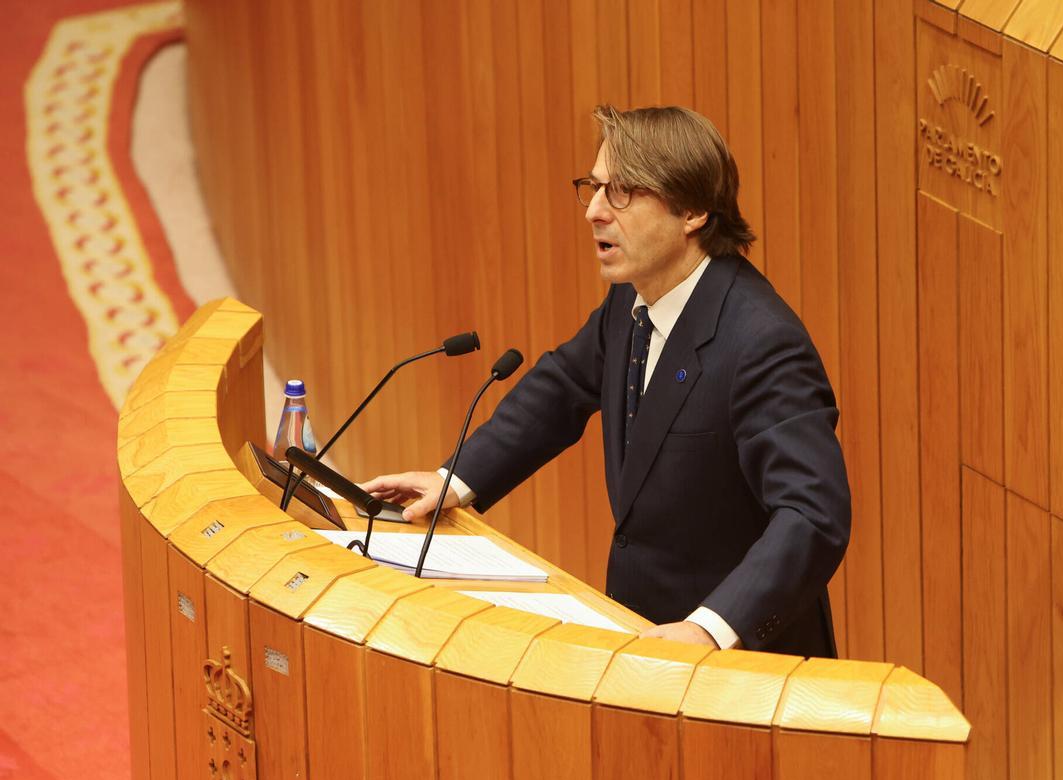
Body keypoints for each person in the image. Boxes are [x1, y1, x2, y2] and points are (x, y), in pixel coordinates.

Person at [362, 105, 850, 656]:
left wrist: (709, 628)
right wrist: (454, 479)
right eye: (593, 188)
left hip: (739, 664)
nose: (594, 211)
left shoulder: (761, 342)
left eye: (621, 192)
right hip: (640, 639)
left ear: (691, 211)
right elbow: (563, 386)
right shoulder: (632, 299)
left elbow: (813, 514)